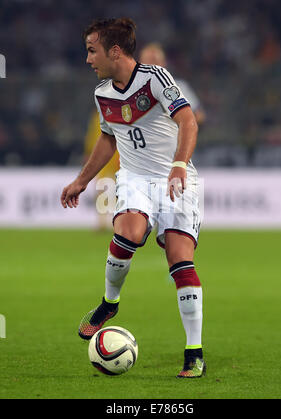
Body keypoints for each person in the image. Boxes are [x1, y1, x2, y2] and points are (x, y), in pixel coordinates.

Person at [60, 18, 205, 378]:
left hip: (176, 178)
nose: (88, 59)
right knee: (128, 232)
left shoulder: (156, 79)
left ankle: (194, 352)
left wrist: (179, 165)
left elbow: (189, 122)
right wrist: (81, 180)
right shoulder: (102, 94)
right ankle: (109, 304)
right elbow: (108, 139)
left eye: (92, 51)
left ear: (115, 51)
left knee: (180, 261)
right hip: (135, 178)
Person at [139, 43, 206, 126]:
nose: (152, 66)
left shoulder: (178, 87)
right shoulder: (131, 91)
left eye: (155, 61)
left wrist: (174, 124)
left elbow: (199, 115)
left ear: (164, 63)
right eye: (147, 62)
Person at [84, 111, 119, 230]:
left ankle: (117, 220)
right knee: (102, 188)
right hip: (103, 155)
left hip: (117, 156)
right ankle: (102, 221)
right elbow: (92, 136)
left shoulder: (115, 112)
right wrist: (89, 152)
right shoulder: (97, 116)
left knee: (119, 189)